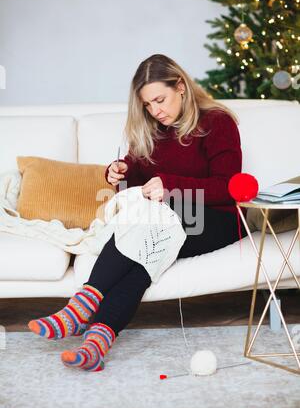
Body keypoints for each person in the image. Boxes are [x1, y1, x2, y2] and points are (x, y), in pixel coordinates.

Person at [28, 54, 247, 372]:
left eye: (160, 99)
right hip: (166, 222)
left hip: (216, 219)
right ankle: (97, 343)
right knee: (144, 255)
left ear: (181, 87)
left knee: (149, 226)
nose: (156, 111)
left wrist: (169, 186)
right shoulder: (156, 129)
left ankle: (82, 306)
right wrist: (120, 172)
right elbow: (139, 180)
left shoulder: (217, 122)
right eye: (148, 105)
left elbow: (230, 188)